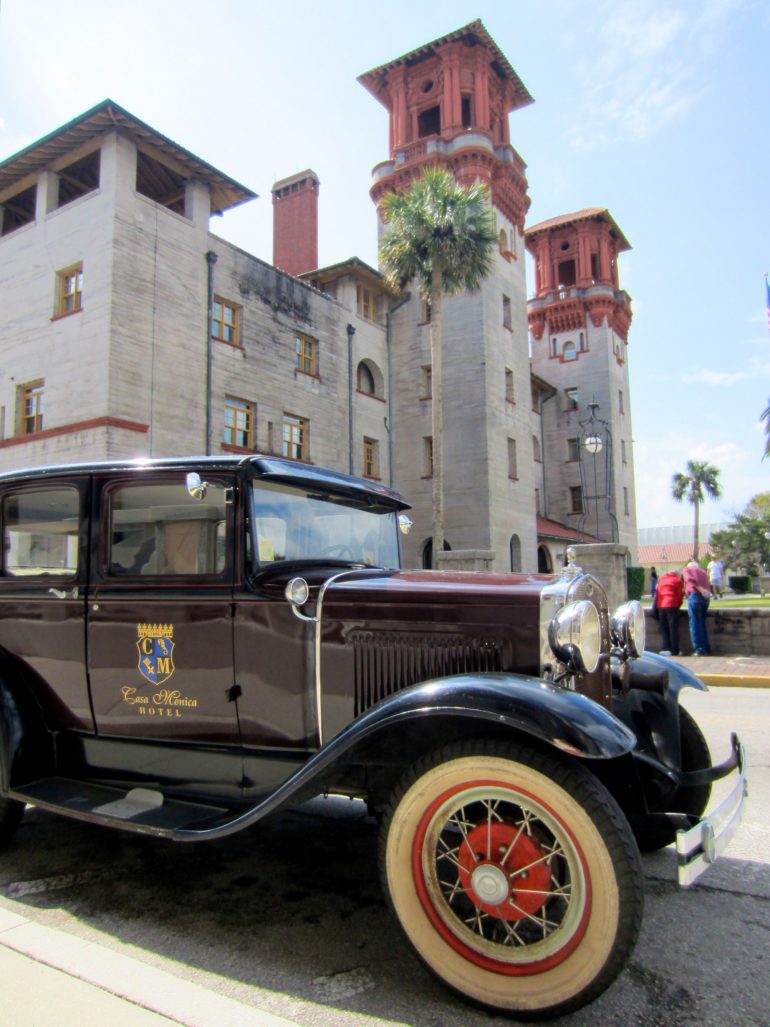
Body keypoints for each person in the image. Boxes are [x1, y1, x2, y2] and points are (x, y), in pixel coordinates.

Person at [683, 559, 712, 656]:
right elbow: (708, 584)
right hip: (705, 599)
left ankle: (699, 649)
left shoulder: (687, 570)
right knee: (702, 623)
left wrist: (700, 589)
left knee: (695, 623)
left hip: (695, 595)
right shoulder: (703, 572)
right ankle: (706, 648)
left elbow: (689, 580)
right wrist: (705, 592)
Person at [654, 570, 684, 655]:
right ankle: (675, 650)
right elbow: (679, 595)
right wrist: (678, 604)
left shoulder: (662, 580)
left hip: (661, 605)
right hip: (672, 604)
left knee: (664, 628)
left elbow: (658, 593)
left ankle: (665, 648)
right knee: (673, 628)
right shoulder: (677, 580)